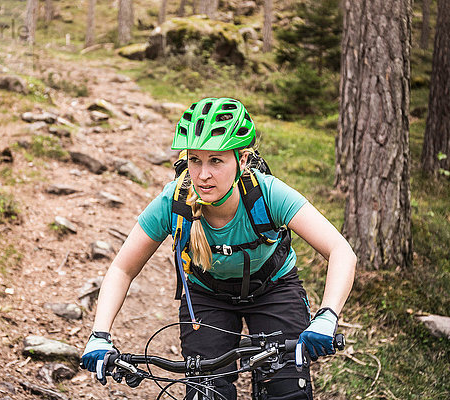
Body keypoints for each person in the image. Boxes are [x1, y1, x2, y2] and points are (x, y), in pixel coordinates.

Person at [80, 97, 356, 399]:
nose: (202, 174)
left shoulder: (268, 193)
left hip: (274, 289)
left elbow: (340, 250)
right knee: (205, 392)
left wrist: (327, 315)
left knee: (286, 391)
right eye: (195, 160)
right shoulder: (175, 201)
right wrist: (100, 335)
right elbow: (122, 268)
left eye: (216, 160)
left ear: (242, 160)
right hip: (207, 296)